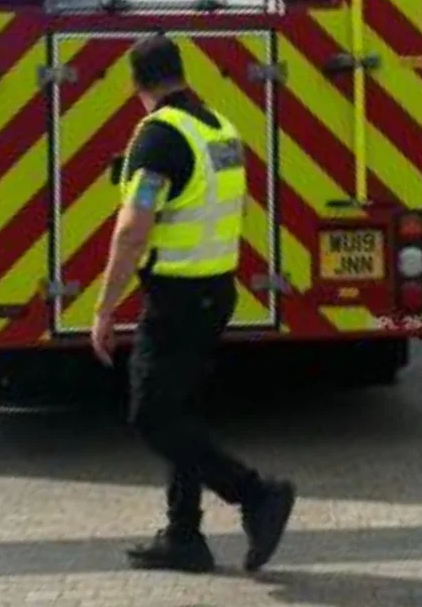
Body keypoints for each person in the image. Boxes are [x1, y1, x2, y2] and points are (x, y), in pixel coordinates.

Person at [90, 34, 295, 574]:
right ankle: (183, 536)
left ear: (136, 83)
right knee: (180, 411)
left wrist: (104, 307)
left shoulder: (159, 138)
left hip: (179, 299)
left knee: (151, 416)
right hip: (214, 290)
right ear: (181, 72)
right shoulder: (216, 126)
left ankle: (255, 495)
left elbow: (133, 230)